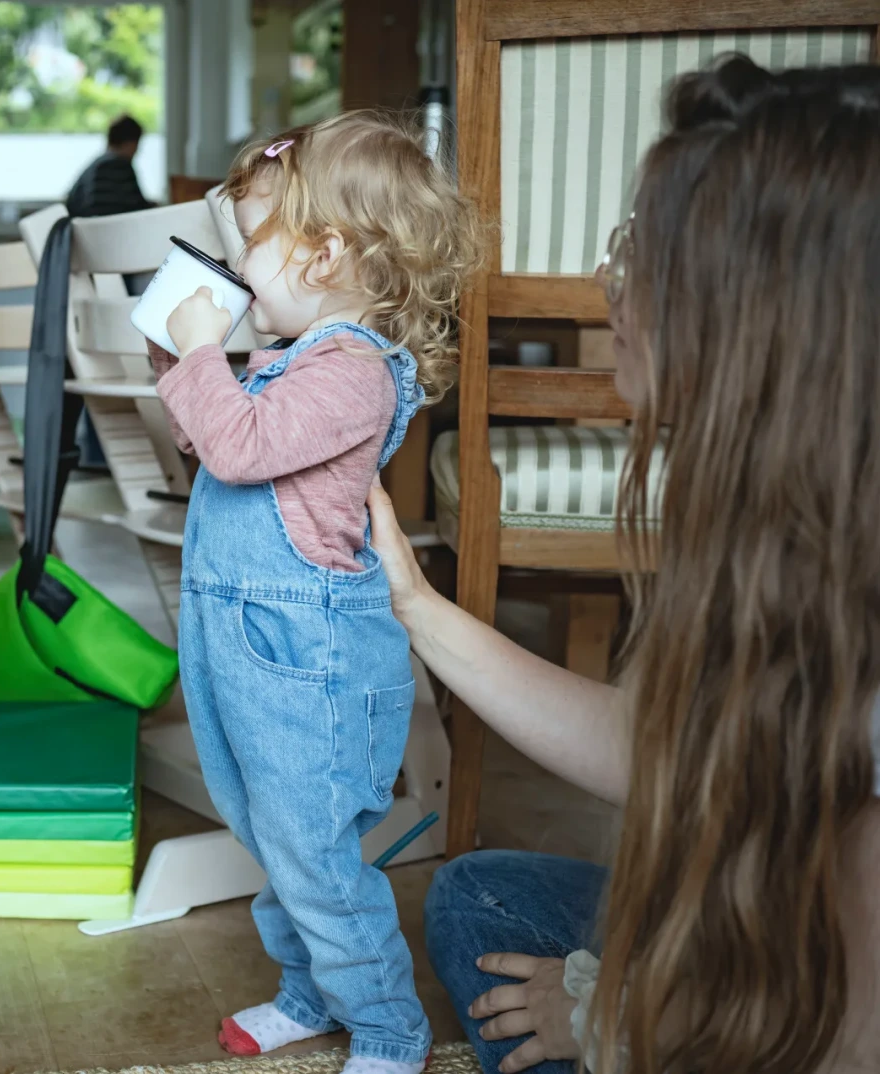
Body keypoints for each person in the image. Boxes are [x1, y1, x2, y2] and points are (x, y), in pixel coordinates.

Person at [365, 57, 880, 1074]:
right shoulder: (781, 508)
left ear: (765, 308)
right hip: (794, 943)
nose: (614, 284)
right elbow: (666, 751)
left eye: (648, 250)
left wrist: (616, 1021)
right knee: (482, 897)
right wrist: (410, 605)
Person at [150, 113, 483, 1074]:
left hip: (311, 662)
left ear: (328, 249)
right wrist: (182, 358)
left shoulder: (357, 373)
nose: (240, 264)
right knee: (271, 842)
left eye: (252, 240)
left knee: (318, 860)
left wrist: (207, 356)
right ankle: (311, 993)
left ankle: (387, 1027)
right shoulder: (291, 363)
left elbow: (241, 446)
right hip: (241, 643)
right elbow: (207, 436)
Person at [65, 114, 154, 219]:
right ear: (130, 143)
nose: (137, 151)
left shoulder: (97, 164)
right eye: (137, 144)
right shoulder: (117, 167)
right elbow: (132, 211)